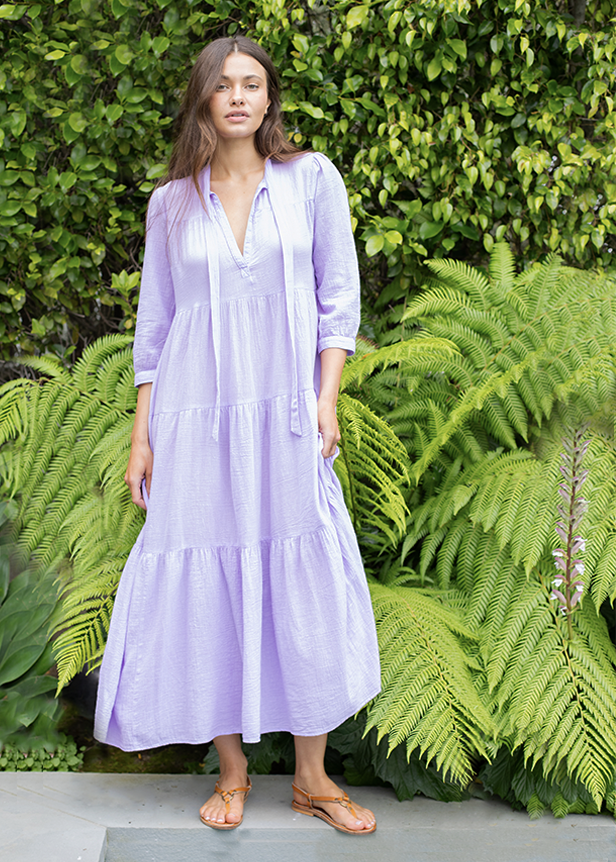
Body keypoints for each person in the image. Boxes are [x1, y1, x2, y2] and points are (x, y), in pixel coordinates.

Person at [93, 35, 381, 835]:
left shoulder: (311, 180)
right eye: (223, 87)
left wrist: (327, 401)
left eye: (252, 84)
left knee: (306, 576)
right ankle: (233, 771)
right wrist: (142, 437)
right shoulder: (171, 203)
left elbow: (339, 302)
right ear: (203, 103)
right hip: (195, 418)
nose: (239, 98)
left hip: (287, 414)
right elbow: (155, 330)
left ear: (269, 98)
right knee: (209, 582)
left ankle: (314, 777)